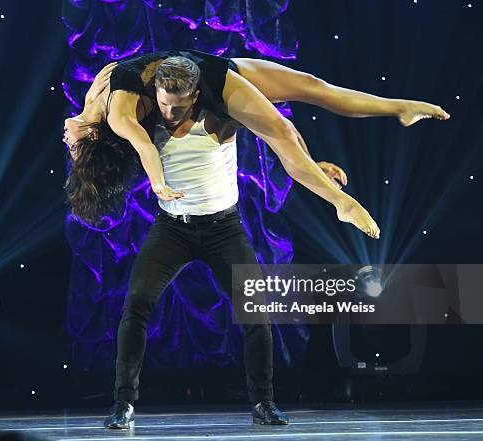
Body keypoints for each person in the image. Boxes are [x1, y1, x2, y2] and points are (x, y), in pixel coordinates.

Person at [63, 50, 450, 238]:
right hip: (207, 84)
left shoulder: (92, 98)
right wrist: (159, 183)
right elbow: (146, 149)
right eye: (75, 148)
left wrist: (314, 163)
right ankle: (342, 204)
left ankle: (402, 108)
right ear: (93, 136)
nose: (67, 142)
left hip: (206, 65)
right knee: (279, 133)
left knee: (314, 87)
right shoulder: (117, 116)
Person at [103, 90, 305, 428]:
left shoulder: (220, 120)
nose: (170, 112)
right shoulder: (148, 120)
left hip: (223, 228)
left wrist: (312, 164)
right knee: (136, 303)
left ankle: (264, 402)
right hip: (172, 228)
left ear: (195, 96)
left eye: (178, 105)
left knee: (256, 311)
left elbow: (278, 129)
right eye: (164, 103)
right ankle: (123, 403)